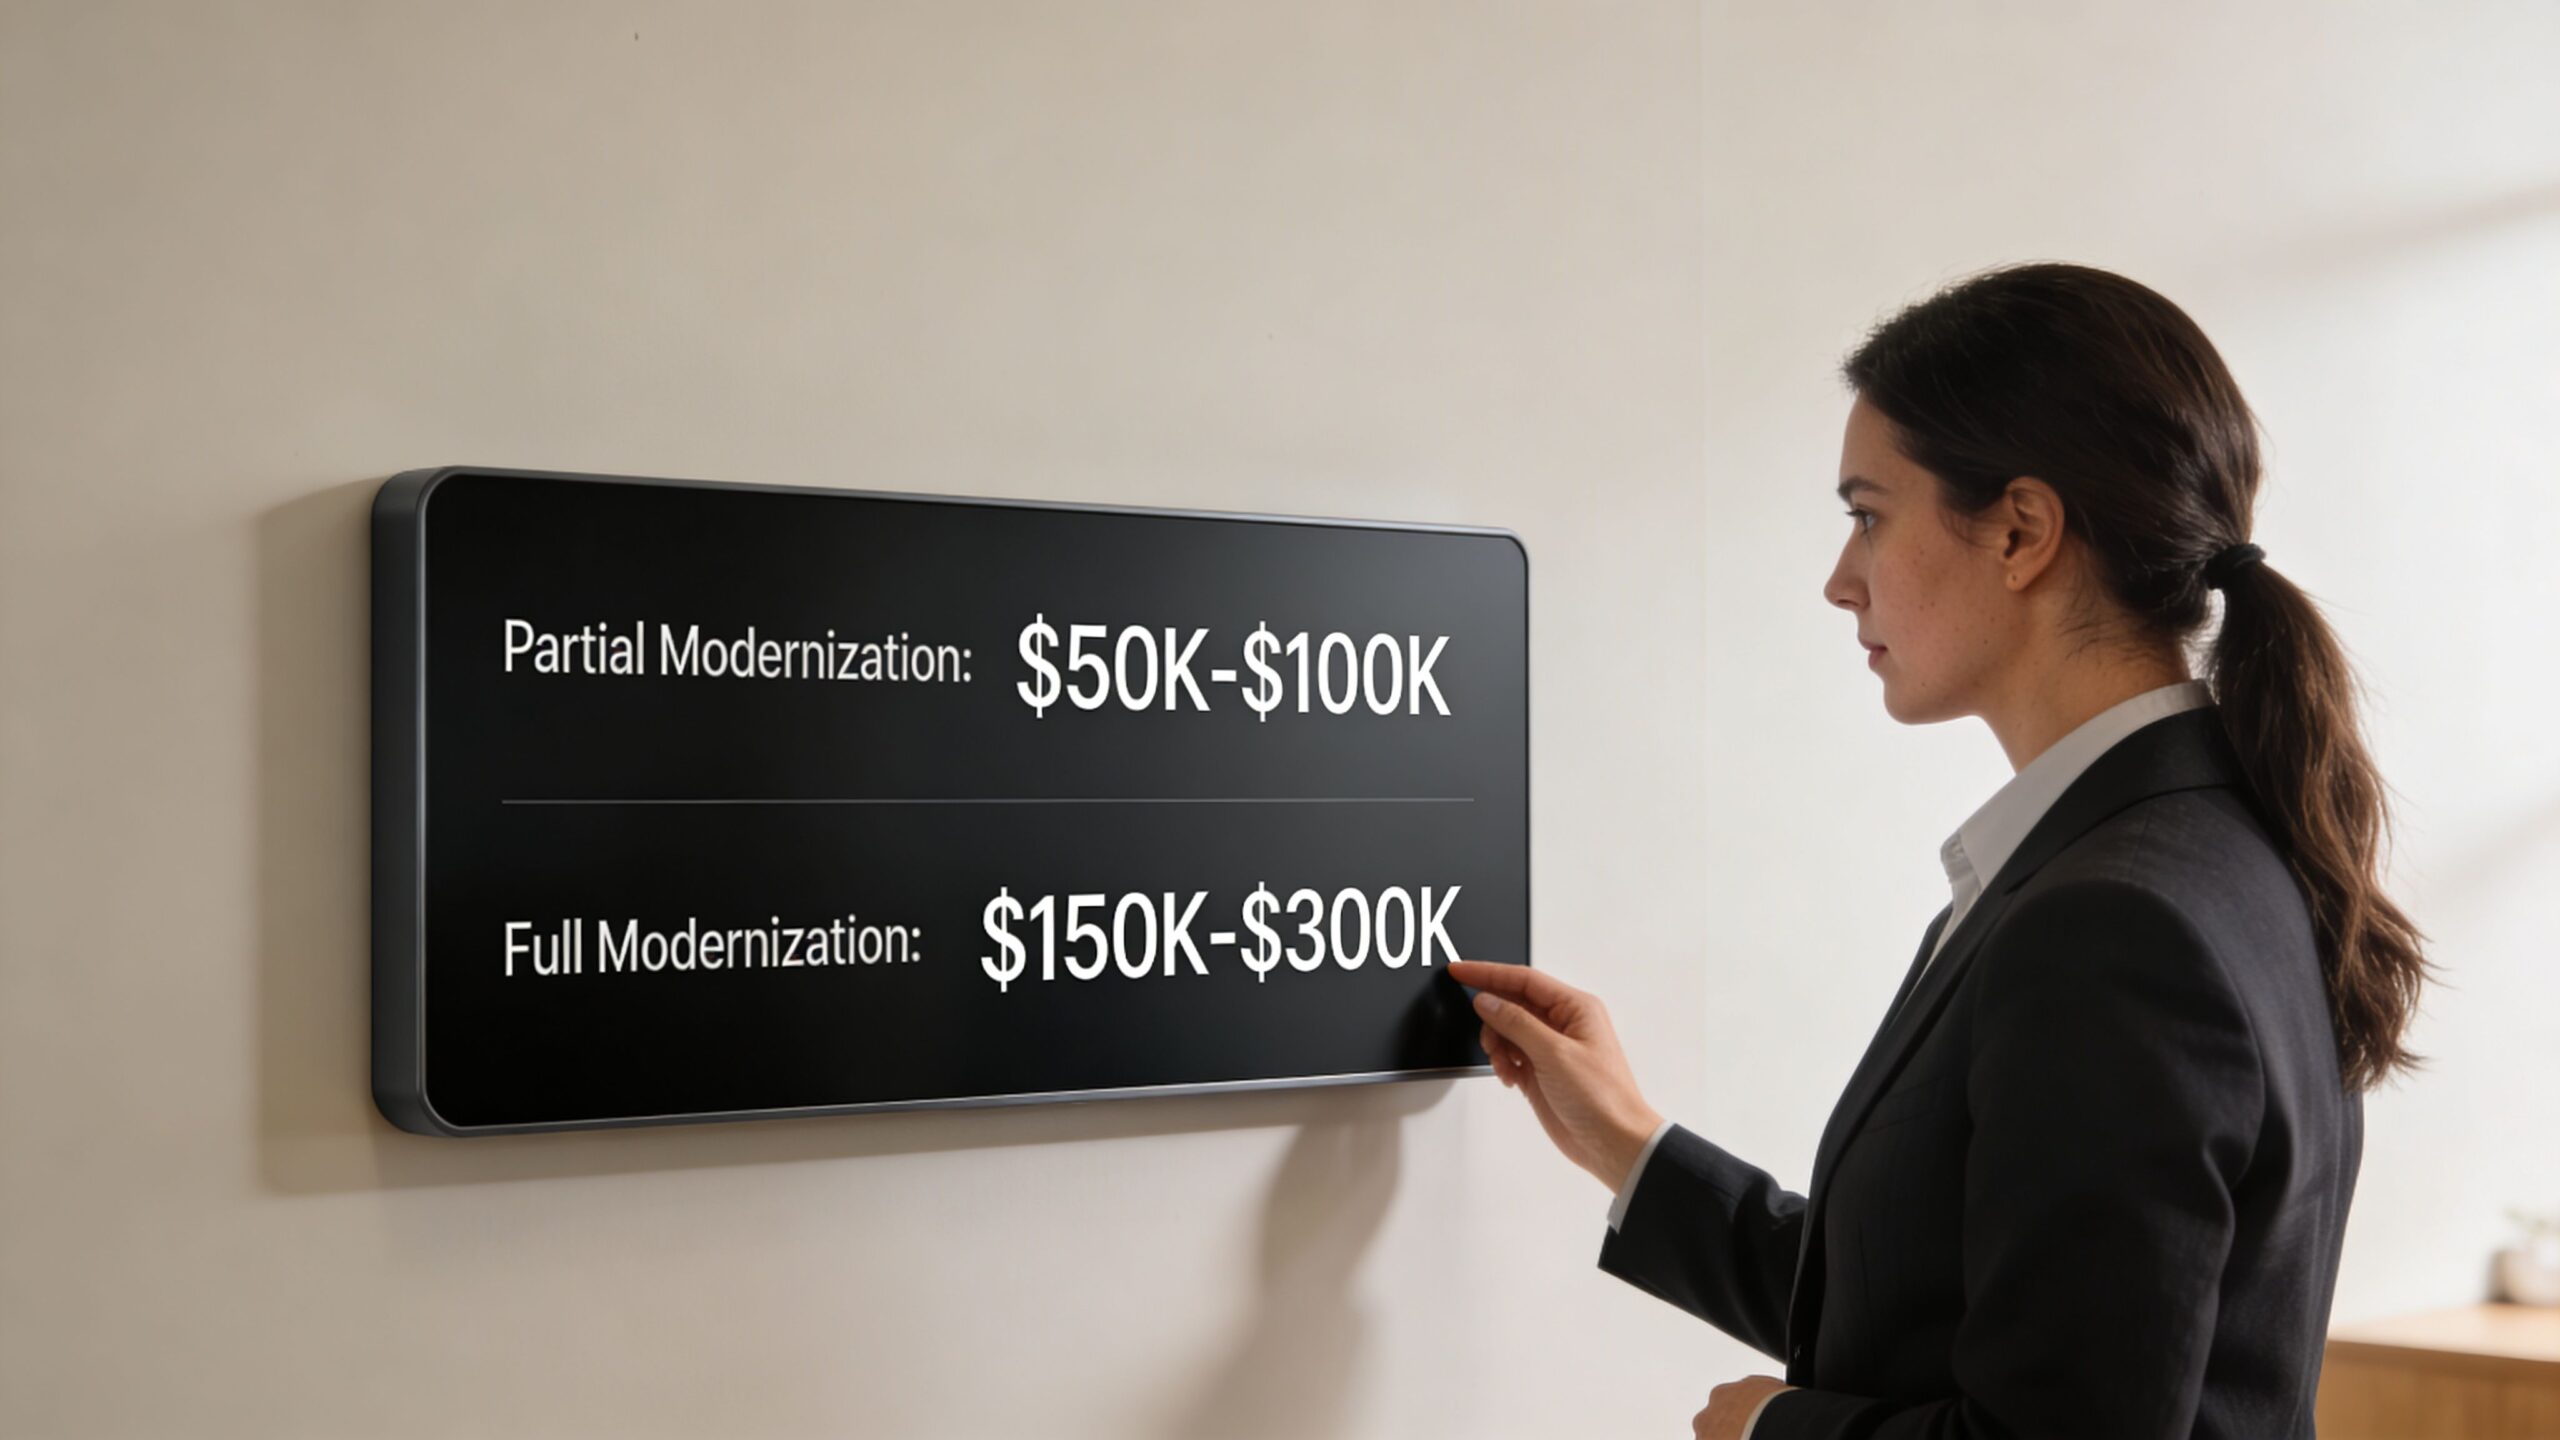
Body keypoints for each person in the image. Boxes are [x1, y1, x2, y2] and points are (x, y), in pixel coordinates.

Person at [1445, 261, 2432, 1440]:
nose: (1840, 580)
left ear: (2020, 532)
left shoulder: (2112, 923)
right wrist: (1628, 1144)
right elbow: (1947, 1308)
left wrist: (1774, 1431)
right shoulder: (2194, 850)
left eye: (1867, 515)